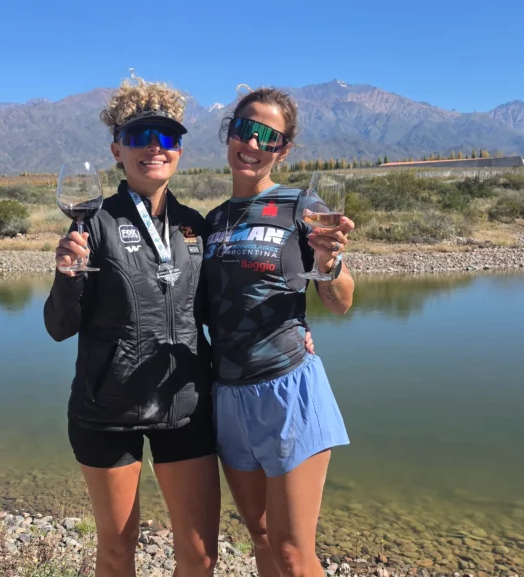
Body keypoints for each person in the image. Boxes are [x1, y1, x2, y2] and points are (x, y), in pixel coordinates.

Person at [42, 77, 219, 577]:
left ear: (180, 149)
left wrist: (285, 330)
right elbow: (59, 327)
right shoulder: (92, 222)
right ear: (117, 150)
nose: (155, 148)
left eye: (168, 137)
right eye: (140, 136)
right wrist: (67, 278)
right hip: (107, 410)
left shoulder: (194, 226)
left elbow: (215, 313)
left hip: (185, 407)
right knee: (118, 550)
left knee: (200, 555)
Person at [202, 87, 356, 577]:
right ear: (229, 134)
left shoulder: (300, 207)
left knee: (292, 551)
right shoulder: (213, 221)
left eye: (268, 137)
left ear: (283, 151)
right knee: (261, 535)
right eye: (244, 129)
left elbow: (341, 302)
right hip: (228, 394)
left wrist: (328, 263)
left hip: (287, 390)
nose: (252, 144)